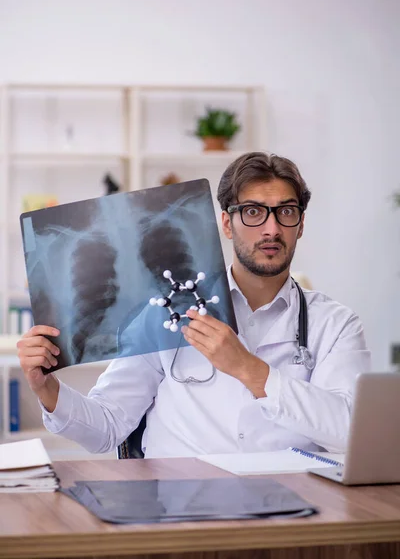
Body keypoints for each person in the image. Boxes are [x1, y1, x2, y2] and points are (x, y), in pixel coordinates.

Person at [17, 152, 371, 457]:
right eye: (252, 212)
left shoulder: (335, 324)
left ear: (301, 224)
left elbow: (351, 432)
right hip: (179, 511)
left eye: (286, 212)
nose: (271, 229)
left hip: (295, 508)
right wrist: (45, 389)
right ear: (227, 224)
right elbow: (107, 427)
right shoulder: (164, 313)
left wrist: (249, 369)